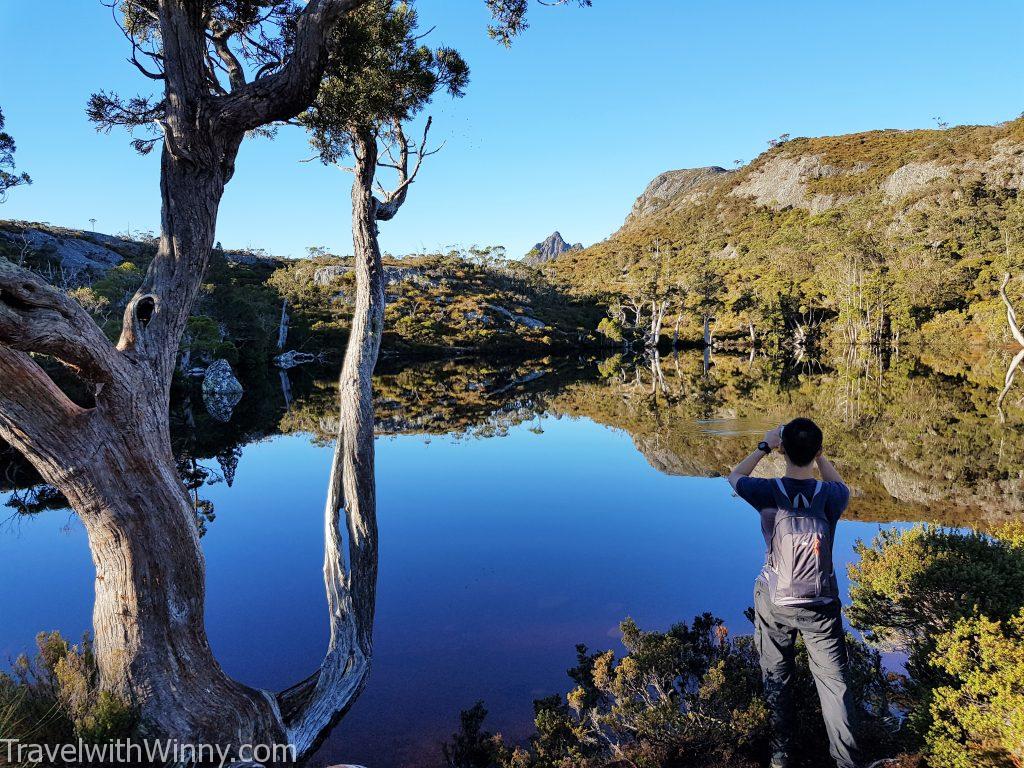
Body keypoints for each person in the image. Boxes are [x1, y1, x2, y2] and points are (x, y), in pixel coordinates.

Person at [727, 417, 863, 768]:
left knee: (777, 676)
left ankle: (781, 757)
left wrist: (763, 445)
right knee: (834, 685)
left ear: (782, 449)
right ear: (817, 450)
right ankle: (846, 761)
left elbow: (735, 478)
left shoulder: (768, 492)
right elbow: (841, 485)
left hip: (776, 601)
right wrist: (819, 457)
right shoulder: (833, 496)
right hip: (822, 603)